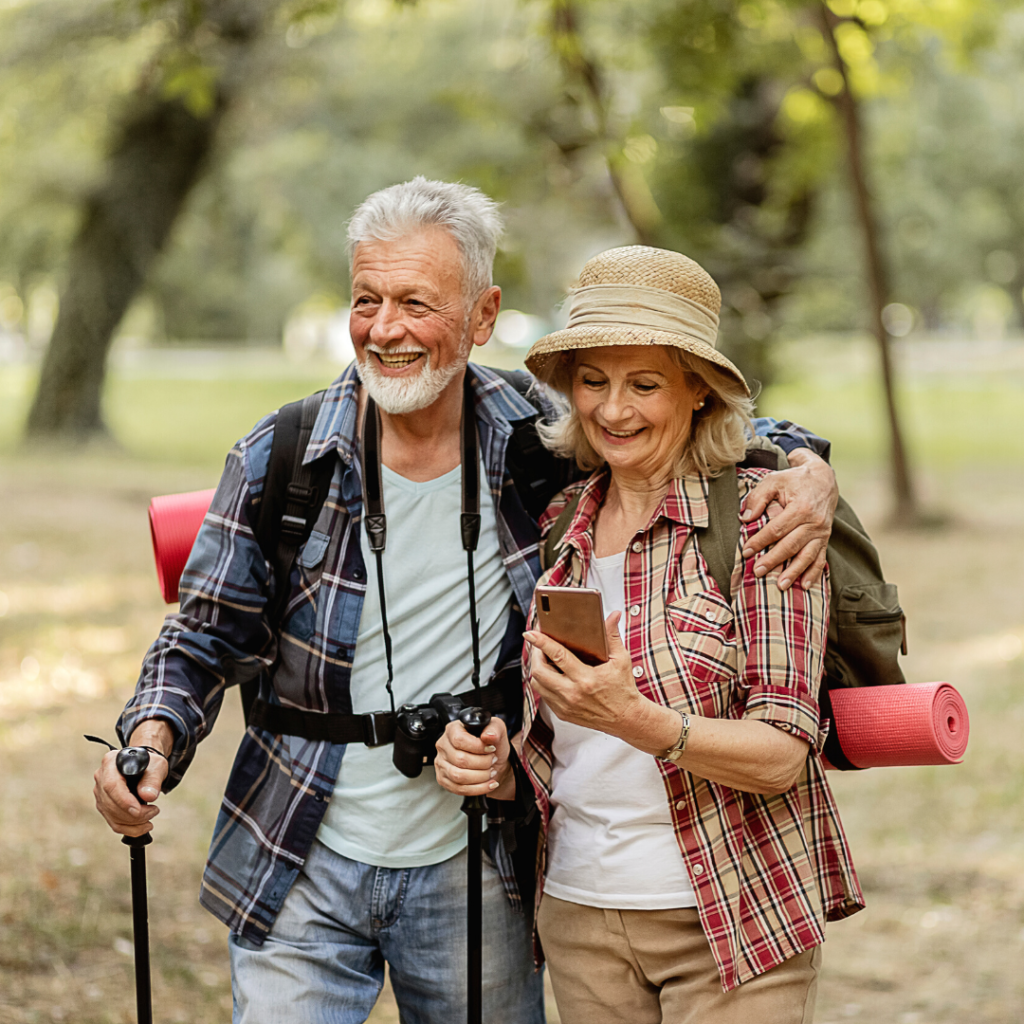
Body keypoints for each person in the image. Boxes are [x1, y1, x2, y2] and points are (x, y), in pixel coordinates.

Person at [93, 180, 840, 1024]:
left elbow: (678, 417)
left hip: (476, 858)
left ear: (483, 317)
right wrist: (150, 736)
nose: (385, 329)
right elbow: (201, 637)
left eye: (417, 302)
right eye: (366, 299)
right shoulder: (283, 453)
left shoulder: (538, 439)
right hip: (296, 841)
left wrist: (807, 466)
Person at [435, 245, 864, 1024]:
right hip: (578, 917)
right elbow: (565, 749)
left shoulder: (767, 520)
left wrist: (635, 720)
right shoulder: (560, 522)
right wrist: (497, 763)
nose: (614, 410)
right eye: (593, 381)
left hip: (733, 920)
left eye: (646, 383)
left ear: (698, 391)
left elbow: (782, 755)